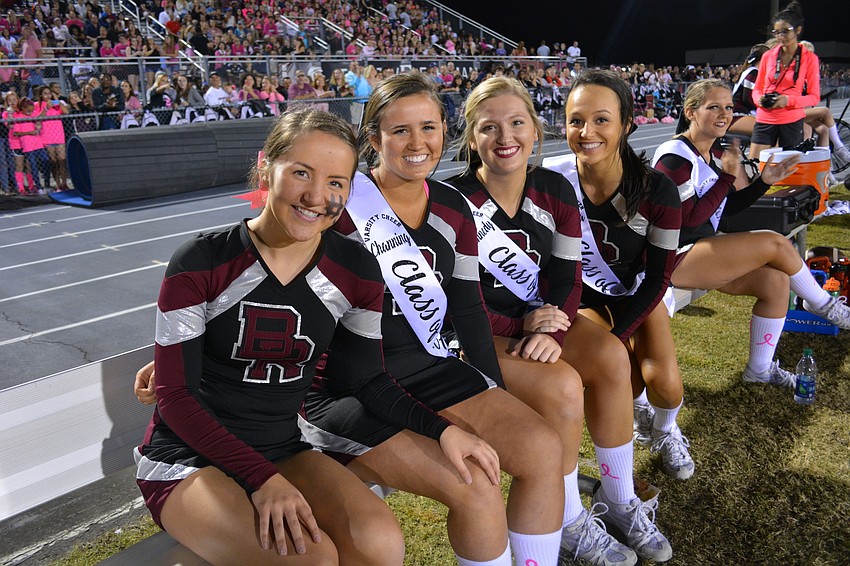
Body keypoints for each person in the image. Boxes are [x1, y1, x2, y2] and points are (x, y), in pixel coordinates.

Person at [136, 74, 566, 565]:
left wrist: (450, 425)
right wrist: (176, 368)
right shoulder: (209, 257)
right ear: (266, 168)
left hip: (287, 442)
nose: (317, 195)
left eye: (335, 182)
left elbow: (382, 365)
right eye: (300, 173)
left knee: (385, 539)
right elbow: (180, 392)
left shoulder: (354, 264)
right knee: (314, 556)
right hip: (206, 450)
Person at [450, 76, 671, 564]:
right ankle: (569, 517)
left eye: (516, 123)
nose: (505, 138)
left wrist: (554, 324)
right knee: (563, 386)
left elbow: (567, 277)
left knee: (612, 357)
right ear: (471, 138)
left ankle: (618, 502)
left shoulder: (552, 187)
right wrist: (524, 327)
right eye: (489, 127)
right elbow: (455, 298)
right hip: (480, 331)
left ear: (535, 130)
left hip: (542, 319)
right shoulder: (450, 200)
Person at [651, 79, 849, 405]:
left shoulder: (710, 153)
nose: (724, 114)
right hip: (671, 258)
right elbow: (687, 220)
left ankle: (759, 369)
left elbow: (726, 214)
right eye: (713, 107)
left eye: (729, 107)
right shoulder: (674, 158)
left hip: (699, 251)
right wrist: (728, 176)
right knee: (773, 243)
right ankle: (825, 306)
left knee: (775, 281)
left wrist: (762, 183)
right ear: (691, 112)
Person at [542, 70, 687, 486]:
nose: (587, 132)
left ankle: (665, 428)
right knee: (617, 378)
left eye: (601, 120)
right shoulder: (551, 182)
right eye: (575, 120)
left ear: (626, 125)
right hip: (580, 298)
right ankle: (624, 457)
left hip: (640, 292)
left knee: (667, 387)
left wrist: (619, 334)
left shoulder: (656, 190)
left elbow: (659, 278)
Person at [749, 1, 820, 159]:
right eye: (776, 32)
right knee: (754, 165)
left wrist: (787, 100)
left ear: (798, 30)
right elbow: (757, 89)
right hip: (765, 117)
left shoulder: (809, 59)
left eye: (785, 31)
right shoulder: (768, 56)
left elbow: (814, 97)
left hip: (791, 119)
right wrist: (759, 100)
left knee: (788, 172)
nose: (780, 37)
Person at [728, 43, 770, 137]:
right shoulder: (753, 72)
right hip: (737, 115)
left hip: (741, 114)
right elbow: (748, 99)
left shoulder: (751, 71)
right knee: (770, 131)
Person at [34, 85, 69, 190]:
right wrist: (46, 108)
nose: (47, 96)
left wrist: (57, 100)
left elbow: (66, 112)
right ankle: (57, 184)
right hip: (47, 135)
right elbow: (38, 118)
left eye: (49, 93)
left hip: (58, 134)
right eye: (45, 93)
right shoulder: (37, 105)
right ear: (41, 95)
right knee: (53, 161)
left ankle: (64, 183)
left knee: (62, 160)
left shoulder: (57, 104)